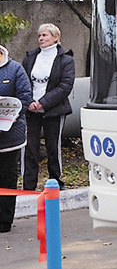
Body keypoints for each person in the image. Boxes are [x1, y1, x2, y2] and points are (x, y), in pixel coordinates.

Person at [21, 23, 75, 192]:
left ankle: (56, 183)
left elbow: (65, 86)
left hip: (53, 110)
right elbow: (23, 82)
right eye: (39, 36)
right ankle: (28, 186)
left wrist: (43, 102)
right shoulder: (30, 57)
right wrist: (29, 101)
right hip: (31, 111)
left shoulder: (66, 59)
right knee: (30, 148)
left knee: (53, 147)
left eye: (45, 35)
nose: (41, 39)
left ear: (56, 37)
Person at [0, 44, 32, 232]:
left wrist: (9, 118)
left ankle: (4, 221)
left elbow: (25, 97)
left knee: (7, 178)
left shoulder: (15, 69)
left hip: (9, 137)